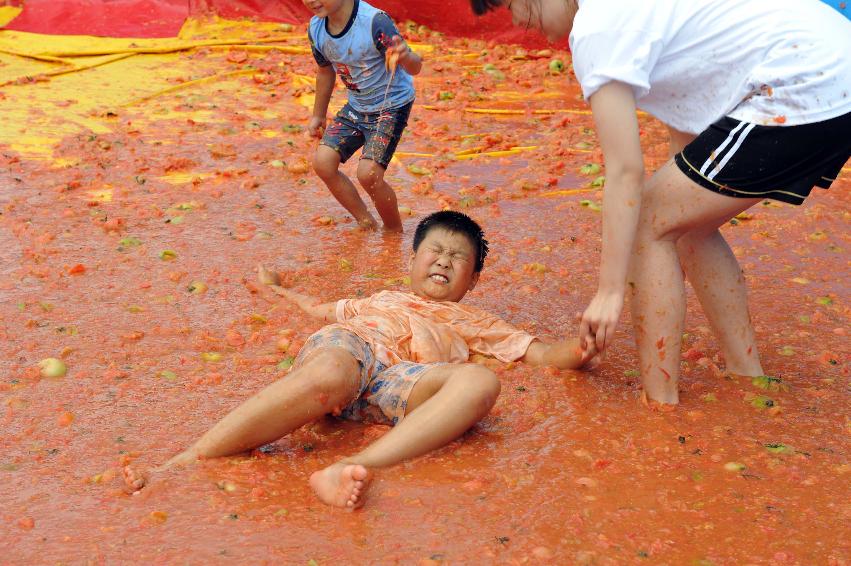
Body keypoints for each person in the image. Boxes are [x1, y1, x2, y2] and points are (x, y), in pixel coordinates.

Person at [470, 0, 851, 405]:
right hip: (831, 64)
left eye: (509, 3)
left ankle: (661, 407)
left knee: (648, 219)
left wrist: (609, 292)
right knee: (682, 221)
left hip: (807, 81)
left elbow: (624, 173)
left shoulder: (597, 28)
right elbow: (686, 141)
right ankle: (747, 375)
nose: (515, 20)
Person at [125, 211, 596, 508]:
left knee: (479, 384)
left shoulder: (476, 320)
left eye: (459, 256)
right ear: (413, 260)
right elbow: (313, 308)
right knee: (331, 373)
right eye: (435, 249)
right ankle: (181, 462)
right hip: (352, 351)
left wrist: (583, 346)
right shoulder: (378, 299)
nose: (445, 260)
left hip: (400, 383)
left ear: (473, 279)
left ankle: (351, 466)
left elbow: (541, 354)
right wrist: (275, 287)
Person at [304, 0, 422, 232]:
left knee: (368, 174)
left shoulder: (374, 23)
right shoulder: (316, 28)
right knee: (323, 163)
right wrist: (318, 114)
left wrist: (406, 55)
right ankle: (365, 220)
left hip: (391, 105)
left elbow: (415, 68)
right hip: (357, 107)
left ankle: (393, 232)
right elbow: (325, 71)